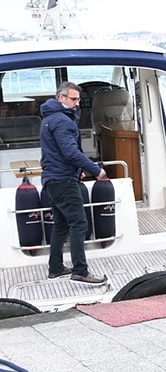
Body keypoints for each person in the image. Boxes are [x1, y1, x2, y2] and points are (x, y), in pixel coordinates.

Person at [40, 81, 108, 285]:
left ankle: (56, 267)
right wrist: (96, 170)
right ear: (61, 98)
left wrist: (77, 171)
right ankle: (80, 270)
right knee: (79, 223)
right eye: (73, 99)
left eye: (78, 99)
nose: (77, 103)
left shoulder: (49, 118)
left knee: (60, 224)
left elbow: (58, 153)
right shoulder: (62, 121)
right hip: (63, 180)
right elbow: (70, 152)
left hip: (52, 179)